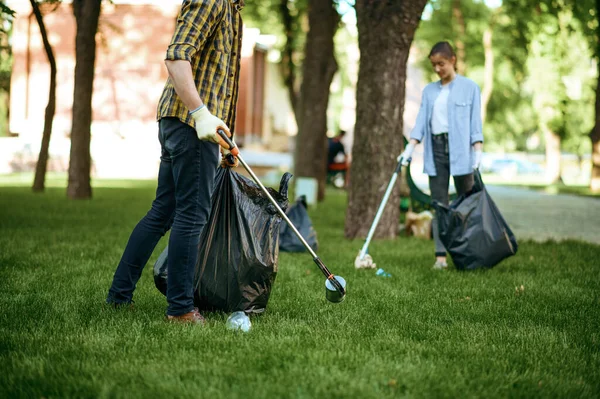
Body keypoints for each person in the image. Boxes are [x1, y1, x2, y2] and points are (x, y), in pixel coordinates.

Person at [105, 0, 244, 324]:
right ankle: (180, 309)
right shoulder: (212, 0)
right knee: (191, 214)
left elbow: (218, 83)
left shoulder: (233, 11)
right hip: (187, 123)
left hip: (190, 124)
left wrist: (223, 136)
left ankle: (118, 296)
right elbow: (177, 56)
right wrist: (199, 114)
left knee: (163, 212)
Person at [397, 41, 483, 270]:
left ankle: (468, 255)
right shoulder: (429, 91)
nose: (437, 69)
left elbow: (476, 123)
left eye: (441, 64)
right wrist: (410, 147)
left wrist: (478, 151)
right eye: (434, 65)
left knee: (467, 205)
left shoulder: (470, 87)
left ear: (453, 60)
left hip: (461, 153)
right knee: (440, 205)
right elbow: (421, 123)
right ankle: (440, 257)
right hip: (435, 152)